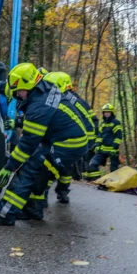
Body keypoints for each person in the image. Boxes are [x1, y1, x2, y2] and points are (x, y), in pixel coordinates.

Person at [0, 63, 89, 226]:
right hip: (63, 139)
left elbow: (27, 144)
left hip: (67, 145)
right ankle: (33, 210)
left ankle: (4, 214)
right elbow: (13, 88)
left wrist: (9, 168)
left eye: (19, 92)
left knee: (28, 170)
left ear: (27, 88)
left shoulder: (39, 107)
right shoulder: (42, 85)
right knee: (38, 172)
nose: (17, 96)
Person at [42, 71, 96, 204]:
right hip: (78, 142)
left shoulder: (66, 100)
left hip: (70, 141)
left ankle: (44, 195)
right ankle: (61, 192)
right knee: (64, 168)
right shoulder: (75, 99)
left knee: (51, 166)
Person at [85, 103, 123, 181]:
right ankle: (99, 180)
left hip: (112, 150)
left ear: (111, 113)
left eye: (108, 112)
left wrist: (115, 148)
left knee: (114, 169)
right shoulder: (103, 124)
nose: (106, 113)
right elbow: (99, 136)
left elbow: (118, 136)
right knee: (92, 164)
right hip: (102, 150)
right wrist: (98, 146)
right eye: (105, 112)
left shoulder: (116, 123)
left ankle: (114, 183)